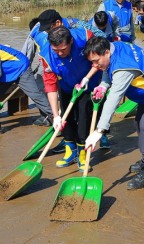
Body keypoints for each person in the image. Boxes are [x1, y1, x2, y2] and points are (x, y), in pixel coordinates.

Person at [83, 37, 144, 190]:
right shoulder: (114, 47)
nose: (94, 66)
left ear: (106, 52)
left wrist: (99, 130)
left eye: (96, 61)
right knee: (139, 123)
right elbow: (107, 69)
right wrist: (102, 85)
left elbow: (114, 98)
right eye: (91, 62)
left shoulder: (123, 66)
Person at [41, 26, 100, 170]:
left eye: (63, 49)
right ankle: (70, 150)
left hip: (88, 83)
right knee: (65, 118)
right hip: (66, 84)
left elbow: (97, 60)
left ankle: (82, 154)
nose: (60, 53)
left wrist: (87, 78)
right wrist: (55, 116)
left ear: (71, 42)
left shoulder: (85, 37)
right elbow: (50, 85)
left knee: (84, 117)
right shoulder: (46, 55)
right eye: (56, 50)